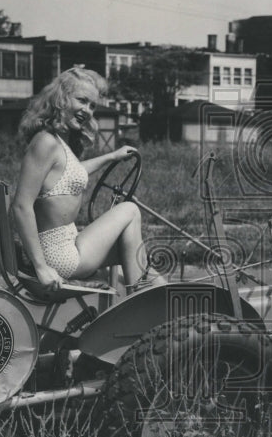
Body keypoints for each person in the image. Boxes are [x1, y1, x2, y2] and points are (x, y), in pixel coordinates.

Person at [11, 67, 162, 294]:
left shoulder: (57, 141)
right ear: (61, 99)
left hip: (65, 247)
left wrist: (112, 156)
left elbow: (71, 173)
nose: (87, 110)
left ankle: (165, 304)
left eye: (92, 105)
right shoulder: (45, 143)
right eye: (81, 100)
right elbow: (21, 206)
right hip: (57, 256)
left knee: (138, 259)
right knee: (130, 210)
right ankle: (141, 305)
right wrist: (41, 267)